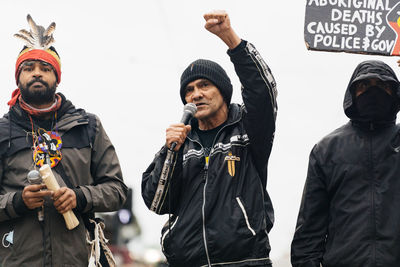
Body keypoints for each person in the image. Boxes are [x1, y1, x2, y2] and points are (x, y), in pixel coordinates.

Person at [142, 10, 277, 267]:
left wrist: (230, 39)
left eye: (204, 85)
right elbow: (156, 201)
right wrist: (171, 151)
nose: (196, 94)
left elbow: (263, 90)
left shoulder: (248, 129)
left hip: (244, 261)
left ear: (223, 92)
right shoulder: (181, 142)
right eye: (189, 90)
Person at [0, 15, 127, 266]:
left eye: (45, 68)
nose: (37, 73)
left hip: (74, 259)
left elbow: (117, 191)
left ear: (57, 77)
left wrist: (79, 197)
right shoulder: (2, 131)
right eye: (29, 68)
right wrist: (18, 201)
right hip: (16, 259)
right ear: (18, 77)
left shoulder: (88, 127)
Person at [291, 60, 400, 267]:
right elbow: (310, 229)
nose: (373, 91)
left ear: (394, 93)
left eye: (382, 85)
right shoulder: (327, 149)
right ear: (352, 94)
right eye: (364, 86)